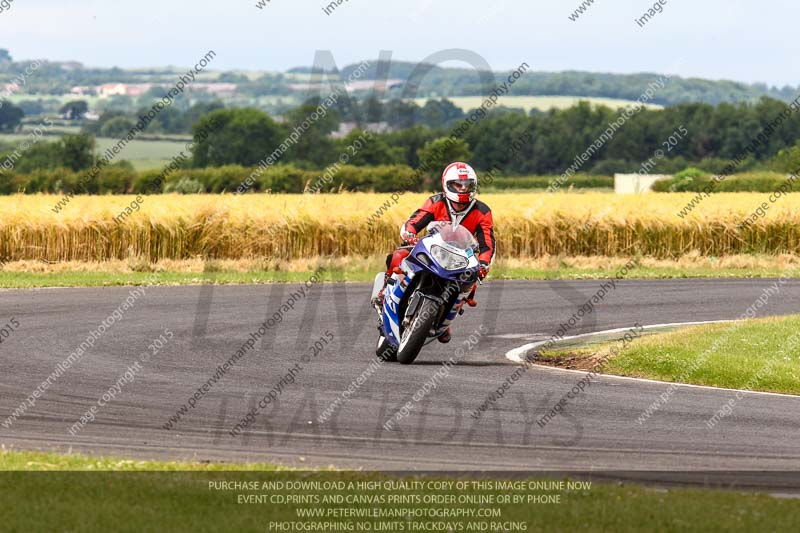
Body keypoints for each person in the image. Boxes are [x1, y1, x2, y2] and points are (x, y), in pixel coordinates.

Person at [376, 162, 496, 343]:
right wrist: (409, 233)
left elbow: (487, 242)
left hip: (461, 258)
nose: (463, 189)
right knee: (399, 255)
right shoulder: (435, 201)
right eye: (458, 184)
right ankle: (384, 290)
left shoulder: (482, 211)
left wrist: (484, 263)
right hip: (432, 249)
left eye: (468, 185)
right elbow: (416, 220)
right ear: (447, 184)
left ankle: (445, 321)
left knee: (470, 283)